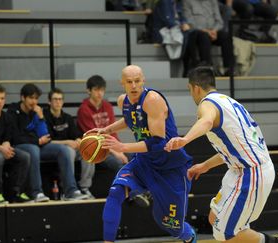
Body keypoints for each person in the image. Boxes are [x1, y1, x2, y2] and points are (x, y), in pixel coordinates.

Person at [165, 66, 278, 243]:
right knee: (215, 217)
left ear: (195, 88)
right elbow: (233, 148)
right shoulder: (229, 102)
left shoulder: (207, 103)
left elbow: (207, 121)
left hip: (252, 172)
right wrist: (205, 166)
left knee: (226, 232)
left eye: (190, 90)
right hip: (238, 170)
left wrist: (185, 139)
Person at [94, 65, 196, 243]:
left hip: (170, 167)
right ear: (122, 83)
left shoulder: (153, 100)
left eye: (137, 81)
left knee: (170, 225)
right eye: (129, 82)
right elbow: (129, 118)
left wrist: (122, 147)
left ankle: (188, 236)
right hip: (144, 163)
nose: (134, 86)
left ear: (143, 81)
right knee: (116, 192)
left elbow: (158, 143)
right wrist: (106, 130)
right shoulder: (123, 101)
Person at [77, 75, 150, 206]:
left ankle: (145, 188)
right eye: (96, 90)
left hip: (112, 145)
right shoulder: (84, 109)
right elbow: (93, 137)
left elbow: (113, 131)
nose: (99, 93)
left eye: (102, 90)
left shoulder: (107, 106)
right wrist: (116, 151)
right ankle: (132, 194)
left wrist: (119, 147)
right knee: (118, 162)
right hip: (97, 150)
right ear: (89, 91)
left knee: (137, 156)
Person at [8, 83, 87, 202]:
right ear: (22, 98)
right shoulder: (13, 111)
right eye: (30, 98)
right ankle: (37, 192)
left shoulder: (36, 111)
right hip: (20, 146)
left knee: (63, 150)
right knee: (34, 150)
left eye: (36, 98)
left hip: (37, 144)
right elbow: (15, 137)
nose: (33, 102)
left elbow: (44, 135)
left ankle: (70, 191)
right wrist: (37, 141)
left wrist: (40, 118)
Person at [43, 88, 94, 199]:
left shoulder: (67, 117)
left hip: (69, 147)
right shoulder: (44, 117)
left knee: (88, 149)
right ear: (49, 102)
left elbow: (76, 135)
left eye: (60, 99)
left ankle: (84, 188)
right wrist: (67, 142)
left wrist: (79, 141)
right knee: (68, 151)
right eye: (55, 99)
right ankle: (68, 190)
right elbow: (47, 140)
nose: (58, 102)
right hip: (52, 148)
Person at [183, 0, 235, 76]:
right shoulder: (187, 2)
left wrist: (214, 30)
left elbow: (219, 21)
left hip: (213, 31)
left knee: (226, 36)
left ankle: (228, 68)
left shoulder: (213, 1)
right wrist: (207, 31)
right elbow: (189, 22)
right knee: (203, 36)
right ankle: (208, 68)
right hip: (197, 32)